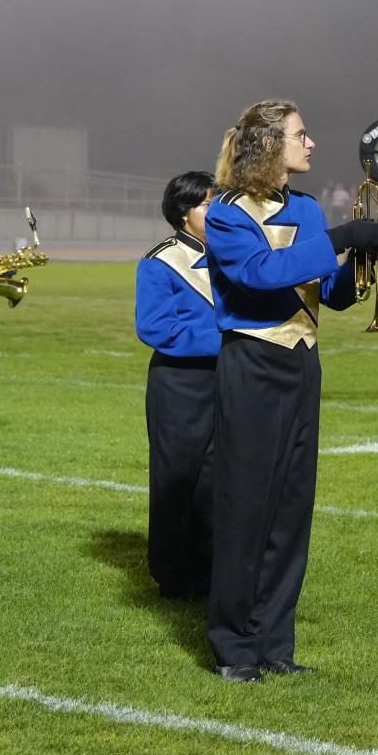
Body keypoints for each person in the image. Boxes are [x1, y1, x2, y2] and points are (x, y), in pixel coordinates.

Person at [205, 100, 378, 682]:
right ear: (267, 145)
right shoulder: (227, 213)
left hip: (303, 363)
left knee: (290, 510)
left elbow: (326, 292)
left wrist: (358, 265)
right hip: (252, 362)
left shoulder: (306, 209)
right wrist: (337, 235)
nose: (311, 144)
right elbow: (258, 275)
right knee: (244, 508)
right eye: (300, 135)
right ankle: (234, 645)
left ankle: (275, 644)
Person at [135, 170, 220, 600]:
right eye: (208, 203)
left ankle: (210, 569)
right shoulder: (160, 261)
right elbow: (155, 329)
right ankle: (172, 574)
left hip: (226, 382)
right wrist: (230, 341)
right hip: (180, 386)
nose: (217, 210)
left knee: (216, 480)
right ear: (185, 214)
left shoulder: (231, 254)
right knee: (177, 480)